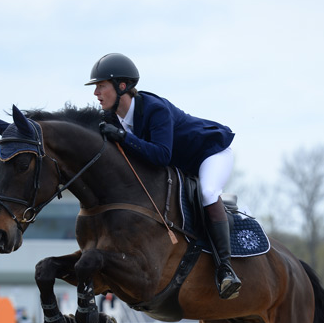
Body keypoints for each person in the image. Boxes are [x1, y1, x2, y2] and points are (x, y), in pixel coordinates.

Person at [85, 53, 241, 300]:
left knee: (208, 192)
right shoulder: (112, 118)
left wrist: (124, 138)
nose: (96, 93)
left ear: (121, 86)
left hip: (210, 153)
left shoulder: (155, 110)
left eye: (101, 86)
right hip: (182, 164)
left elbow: (161, 157)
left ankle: (225, 268)